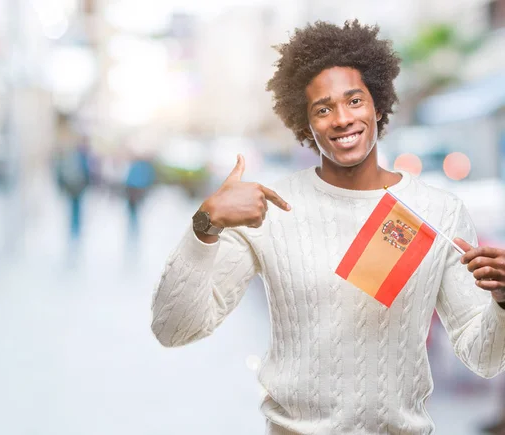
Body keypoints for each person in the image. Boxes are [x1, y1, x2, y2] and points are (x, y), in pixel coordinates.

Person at [150, 20, 505, 434]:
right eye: (323, 108)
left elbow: (484, 358)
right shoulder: (271, 210)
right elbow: (173, 329)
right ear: (305, 122)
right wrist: (204, 225)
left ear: (377, 104)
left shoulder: (437, 211)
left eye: (354, 100)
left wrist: (501, 303)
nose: (341, 118)